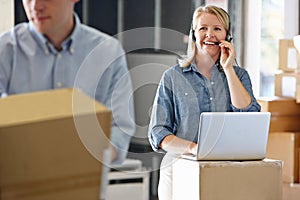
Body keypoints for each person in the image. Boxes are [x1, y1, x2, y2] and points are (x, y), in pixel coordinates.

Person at [0, 0, 135, 165]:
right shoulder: (4, 51)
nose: (35, 6)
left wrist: (75, 158)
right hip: (15, 182)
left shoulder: (108, 52)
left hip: (82, 182)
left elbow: (119, 130)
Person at [148, 5, 261, 200]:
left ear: (227, 35)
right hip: (182, 163)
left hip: (227, 166)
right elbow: (158, 133)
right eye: (203, 28)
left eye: (217, 29)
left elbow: (249, 115)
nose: (210, 34)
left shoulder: (239, 76)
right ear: (194, 34)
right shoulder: (172, 77)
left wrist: (229, 69)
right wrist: (194, 148)